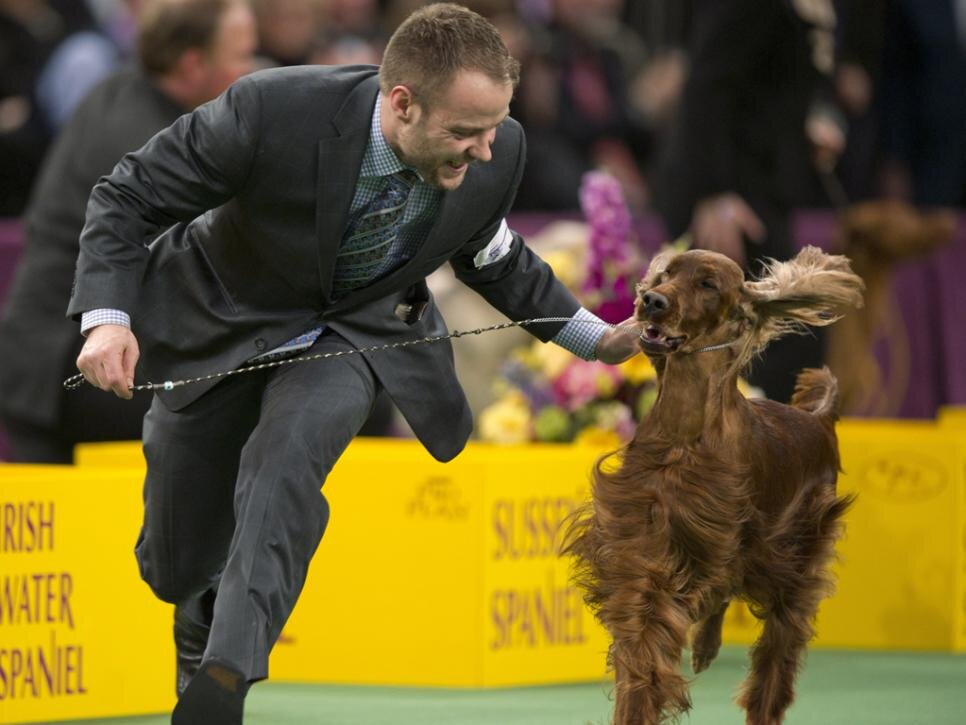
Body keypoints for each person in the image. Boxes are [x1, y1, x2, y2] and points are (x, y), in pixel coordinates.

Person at [67, 4, 640, 722]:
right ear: (401, 103)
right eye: (465, 132)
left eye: (493, 128)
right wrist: (108, 320)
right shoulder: (271, 110)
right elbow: (126, 195)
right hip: (218, 326)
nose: (486, 150)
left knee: (289, 458)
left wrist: (599, 338)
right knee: (173, 564)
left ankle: (224, 676)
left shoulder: (494, 149)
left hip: (352, 337)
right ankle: (204, 604)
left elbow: (494, 256)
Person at [0, 0, 258, 463]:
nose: (252, 71)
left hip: (50, 359)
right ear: (192, 63)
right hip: (64, 368)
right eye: (241, 56)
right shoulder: (142, 140)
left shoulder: (121, 90)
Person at [654, 0, 845, 403]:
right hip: (729, 198)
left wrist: (803, 132)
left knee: (775, 332)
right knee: (764, 333)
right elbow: (706, 85)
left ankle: (758, 446)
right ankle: (748, 451)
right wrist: (714, 193)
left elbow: (762, 91)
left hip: (758, 190)